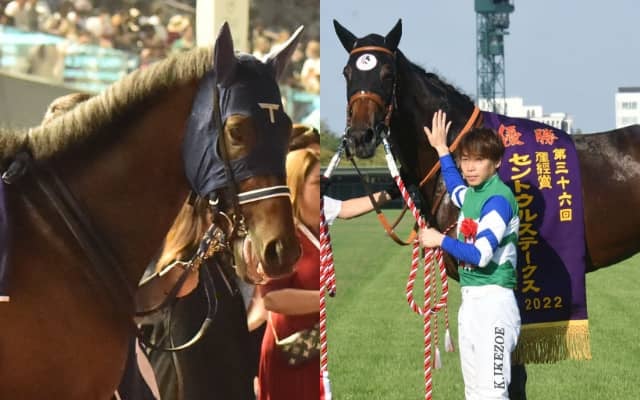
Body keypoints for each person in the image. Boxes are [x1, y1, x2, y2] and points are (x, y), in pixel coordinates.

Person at [419, 110, 521, 400]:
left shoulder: (498, 199)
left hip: (495, 305)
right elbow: (455, 187)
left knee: (493, 394)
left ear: (496, 162)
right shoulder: (473, 193)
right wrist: (442, 149)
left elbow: (481, 254)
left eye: (479, 160)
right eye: (466, 159)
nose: (470, 167)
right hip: (471, 303)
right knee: (474, 393)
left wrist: (440, 239)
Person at [257, 148, 320, 400]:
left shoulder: (324, 232)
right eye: (317, 183)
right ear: (296, 186)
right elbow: (272, 298)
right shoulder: (283, 239)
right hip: (294, 355)